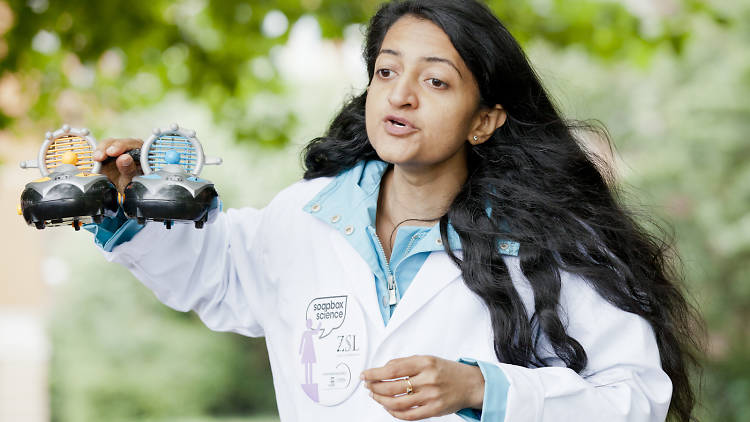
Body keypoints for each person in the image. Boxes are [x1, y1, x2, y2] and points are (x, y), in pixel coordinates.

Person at [88, 0, 702, 421]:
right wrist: (135, 200)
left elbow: (635, 397)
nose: (401, 95)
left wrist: (483, 387)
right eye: (387, 71)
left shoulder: (550, 242)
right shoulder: (302, 217)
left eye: (436, 82)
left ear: (484, 120)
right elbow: (214, 273)